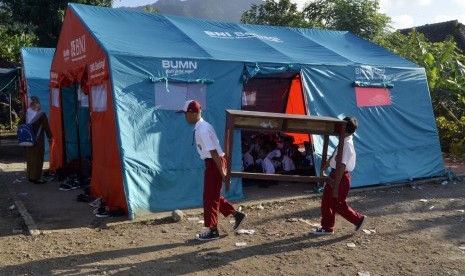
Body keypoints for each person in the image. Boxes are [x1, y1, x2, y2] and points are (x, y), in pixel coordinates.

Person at [177, 100, 246, 241]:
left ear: (193, 113)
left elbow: (214, 152)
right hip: (213, 163)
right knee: (212, 195)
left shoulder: (202, 129)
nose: (185, 117)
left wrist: (223, 173)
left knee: (210, 198)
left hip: (215, 163)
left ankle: (213, 230)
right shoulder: (202, 126)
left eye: (186, 114)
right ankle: (236, 214)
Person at [313, 116, 366, 235]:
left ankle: (358, 219)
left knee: (337, 203)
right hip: (335, 174)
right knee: (326, 201)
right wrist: (324, 168)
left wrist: (335, 183)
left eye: (340, 127)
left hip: (340, 176)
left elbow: (342, 165)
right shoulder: (343, 140)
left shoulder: (347, 145)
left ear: (346, 130)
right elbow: (333, 157)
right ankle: (327, 227)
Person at [19, 96, 53, 184]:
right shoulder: (41, 114)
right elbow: (46, 127)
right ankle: (36, 178)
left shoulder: (27, 113)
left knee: (30, 158)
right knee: (38, 158)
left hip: (28, 139)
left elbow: (20, 124)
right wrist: (50, 137)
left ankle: (30, 176)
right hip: (38, 141)